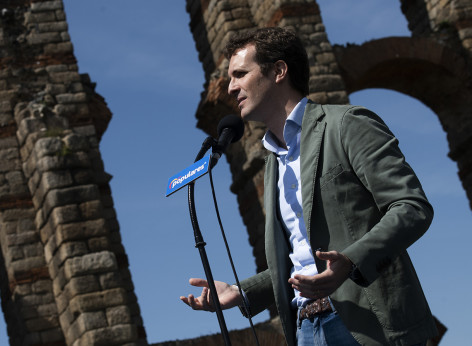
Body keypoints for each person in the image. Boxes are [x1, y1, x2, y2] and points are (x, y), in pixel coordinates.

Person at [180, 27, 438, 346]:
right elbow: (299, 259)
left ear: (278, 71)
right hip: (305, 329)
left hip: (366, 323)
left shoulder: (347, 124)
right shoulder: (272, 162)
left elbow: (411, 206)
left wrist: (352, 260)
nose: (231, 87)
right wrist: (241, 291)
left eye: (240, 74)